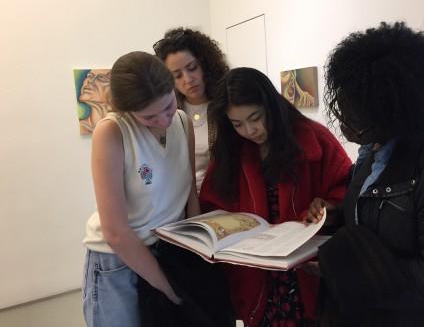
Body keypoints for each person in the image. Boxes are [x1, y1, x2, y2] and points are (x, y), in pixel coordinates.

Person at [306, 22, 424, 326]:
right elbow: (376, 224)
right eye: (342, 109)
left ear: (394, 113)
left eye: (356, 116)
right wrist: (336, 216)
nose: (344, 123)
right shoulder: (373, 149)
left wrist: (347, 267)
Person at [82, 52, 233, 327]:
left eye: (168, 106)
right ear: (126, 110)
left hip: (168, 250)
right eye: (149, 117)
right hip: (118, 261)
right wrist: (169, 288)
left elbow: (189, 192)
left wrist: (197, 252)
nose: (164, 120)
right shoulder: (112, 132)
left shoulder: (182, 121)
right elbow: (115, 232)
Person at [199, 67, 352, 326]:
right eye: (237, 124)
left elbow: (346, 187)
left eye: (255, 117)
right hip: (255, 275)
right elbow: (213, 205)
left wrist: (328, 207)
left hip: (304, 270)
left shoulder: (313, 138)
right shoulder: (230, 152)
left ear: (271, 105)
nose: (250, 130)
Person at [153, 27, 229, 192]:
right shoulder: (165, 114)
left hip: (219, 199)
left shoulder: (227, 105)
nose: (188, 80)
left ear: (206, 64)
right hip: (177, 199)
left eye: (192, 68)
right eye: (177, 76)